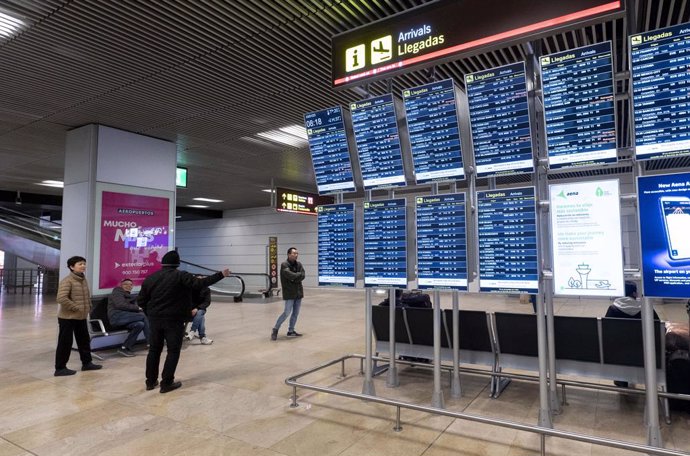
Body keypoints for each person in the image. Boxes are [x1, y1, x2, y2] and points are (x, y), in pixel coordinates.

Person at [138, 250, 230, 393]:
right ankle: (167, 383)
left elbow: (141, 301)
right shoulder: (181, 276)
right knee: (173, 351)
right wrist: (221, 275)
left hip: (155, 320)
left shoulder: (151, 278)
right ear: (177, 263)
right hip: (174, 320)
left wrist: (150, 314)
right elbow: (201, 283)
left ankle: (150, 382)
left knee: (154, 350)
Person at [54, 256, 102, 376]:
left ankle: (87, 363)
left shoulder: (83, 279)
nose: (83, 266)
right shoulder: (67, 281)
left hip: (81, 317)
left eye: (84, 264)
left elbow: (86, 295)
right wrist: (76, 307)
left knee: (84, 341)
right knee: (65, 343)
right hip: (68, 318)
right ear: (71, 267)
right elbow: (61, 298)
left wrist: (89, 306)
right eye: (80, 264)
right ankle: (60, 368)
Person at [605, 281, 659, 387]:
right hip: (644, 351)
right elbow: (658, 327)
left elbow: (606, 330)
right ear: (634, 294)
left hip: (618, 352)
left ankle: (621, 378)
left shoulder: (613, 309)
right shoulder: (646, 309)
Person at [108, 278, 150, 357]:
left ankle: (125, 347)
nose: (128, 286)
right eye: (126, 284)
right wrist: (137, 308)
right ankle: (151, 343)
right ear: (121, 285)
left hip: (126, 318)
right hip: (117, 317)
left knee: (139, 324)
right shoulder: (117, 292)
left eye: (130, 285)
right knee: (142, 316)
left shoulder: (131, 296)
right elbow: (120, 305)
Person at [271, 247, 305, 341]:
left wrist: (294, 278)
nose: (296, 255)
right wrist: (296, 276)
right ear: (289, 254)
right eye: (294, 253)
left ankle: (291, 331)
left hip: (298, 293)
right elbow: (289, 275)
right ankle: (275, 329)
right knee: (286, 313)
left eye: (297, 253)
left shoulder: (299, 264)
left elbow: (303, 275)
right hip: (289, 293)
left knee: (295, 313)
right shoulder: (284, 265)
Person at [186, 281, 213, 345]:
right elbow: (186, 300)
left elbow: (207, 302)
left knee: (199, 312)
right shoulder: (190, 289)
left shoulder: (206, 290)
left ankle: (192, 331)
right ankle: (202, 337)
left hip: (200, 309)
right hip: (189, 311)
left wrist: (197, 308)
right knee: (201, 317)